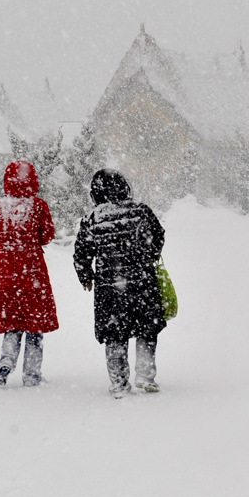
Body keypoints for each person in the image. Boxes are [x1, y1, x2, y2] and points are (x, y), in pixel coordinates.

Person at [74, 169, 165, 398]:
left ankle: (119, 383)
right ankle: (145, 376)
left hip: (109, 287)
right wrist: (149, 255)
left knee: (114, 333)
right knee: (147, 328)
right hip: (142, 282)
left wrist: (86, 276)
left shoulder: (93, 218)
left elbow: (81, 253)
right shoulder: (140, 211)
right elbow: (158, 235)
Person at [0, 160, 59, 387]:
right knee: (34, 326)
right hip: (33, 274)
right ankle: (31, 375)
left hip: (6, 274)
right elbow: (47, 235)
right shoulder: (38, 206)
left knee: (13, 323)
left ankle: (6, 361)